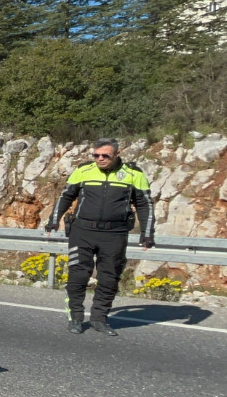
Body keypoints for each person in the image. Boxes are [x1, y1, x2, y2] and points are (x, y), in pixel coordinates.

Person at [44, 138, 155, 336]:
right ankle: (76, 318)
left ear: (116, 154)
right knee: (78, 274)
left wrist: (147, 234)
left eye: (105, 156)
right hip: (82, 232)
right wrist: (53, 220)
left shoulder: (133, 174)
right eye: (96, 155)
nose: (100, 159)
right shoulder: (84, 171)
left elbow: (145, 204)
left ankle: (99, 319)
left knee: (109, 278)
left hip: (114, 234)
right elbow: (66, 196)